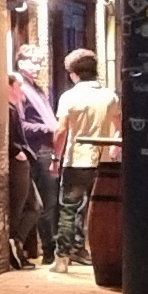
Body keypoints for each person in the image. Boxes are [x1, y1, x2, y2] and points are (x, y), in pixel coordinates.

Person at [52, 50, 119, 267]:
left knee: (68, 208)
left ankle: (62, 257)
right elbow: (121, 125)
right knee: (95, 208)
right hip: (103, 161)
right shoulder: (109, 96)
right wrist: (114, 148)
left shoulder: (69, 97)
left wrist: (55, 158)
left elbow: (61, 131)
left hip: (76, 160)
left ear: (74, 73)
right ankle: (85, 250)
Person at [8, 54, 61, 272]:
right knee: (42, 203)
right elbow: (21, 127)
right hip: (35, 152)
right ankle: (46, 249)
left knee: (39, 204)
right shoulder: (18, 98)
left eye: (40, 62)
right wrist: (49, 130)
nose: (38, 66)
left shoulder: (37, 90)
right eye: (33, 62)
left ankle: (18, 245)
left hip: (38, 152)